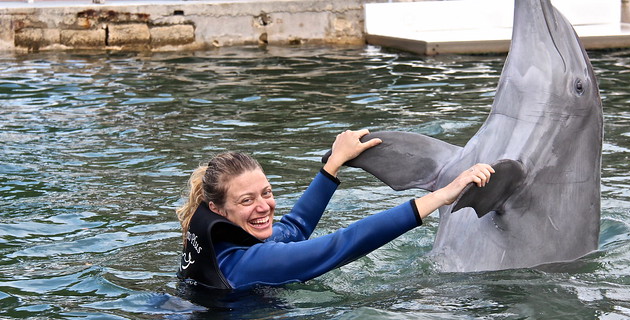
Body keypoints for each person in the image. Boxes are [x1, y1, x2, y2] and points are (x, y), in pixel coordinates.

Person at [176, 129, 494, 291]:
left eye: (267, 193)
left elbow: (295, 227)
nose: (264, 207)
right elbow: (342, 245)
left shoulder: (229, 243)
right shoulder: (248, 264)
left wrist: (334, 164)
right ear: (217, 209)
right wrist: (443, 195)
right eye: (247, 200)